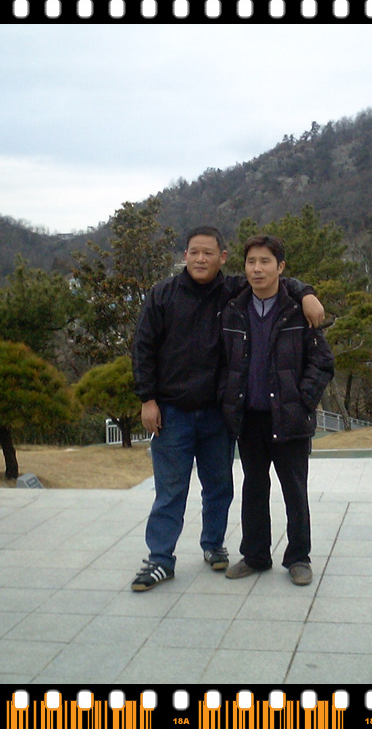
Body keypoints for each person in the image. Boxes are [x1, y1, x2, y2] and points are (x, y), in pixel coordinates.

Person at [130, 226, 324, 591]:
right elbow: (143, 348)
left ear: (222, 258)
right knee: (173, 490)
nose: (200, 259)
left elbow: (279, 284)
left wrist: (308, 294)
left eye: (208, 253)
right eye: (193, 252)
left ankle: (223, 546)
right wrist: (147, 398)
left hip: (223, 414)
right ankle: (161, 559)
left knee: (226, 488)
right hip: (178, 412)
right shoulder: (165, 295)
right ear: (184, 256)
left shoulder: (233, 292)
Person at [219, 235, 335, 586]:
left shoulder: (298, 310)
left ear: (281, 267)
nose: (257, 268)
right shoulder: (233, 309)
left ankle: (299, 557)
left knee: (294, 491)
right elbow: (223, 360)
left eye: (265, 261)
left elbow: (322, 361)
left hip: (288, 417)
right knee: (254, 488)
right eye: (251, 261)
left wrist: (302, 400)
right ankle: (255, 555)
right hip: (249, 416)